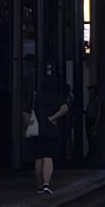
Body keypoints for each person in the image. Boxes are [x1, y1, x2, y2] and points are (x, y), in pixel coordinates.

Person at [28, 64, 70, 195]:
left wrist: (28, 124)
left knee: (38, 157)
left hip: (37, 130)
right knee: (48, 157)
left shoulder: (36, 97)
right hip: (50, 129)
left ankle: (39, 184)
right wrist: (53, 118)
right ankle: (47, 183)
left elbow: (25, 113)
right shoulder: (55, 96)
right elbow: (65, 108)